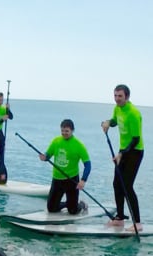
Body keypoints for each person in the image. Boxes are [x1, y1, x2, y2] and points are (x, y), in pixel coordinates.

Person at [99, 84, 144, 232]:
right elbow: (114, 121)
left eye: (120, 96)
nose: (117, 99)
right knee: (116, 184)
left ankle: (137, 223)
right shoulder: (117, 108)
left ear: (127, 97)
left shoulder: (133, 113)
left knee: (127, 186)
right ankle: (119, 218)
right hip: (122, 151)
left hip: (134, 152)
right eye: (115, 96)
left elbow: (136, 139)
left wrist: (122, 153)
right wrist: (107, 123)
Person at [39, 119, 91, 216]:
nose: (64, 133)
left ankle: (81, 205)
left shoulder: (79, 145)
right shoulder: (56, 141)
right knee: (51, 209)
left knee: (73, 211)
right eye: (62, 131)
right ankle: (69, 204)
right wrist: (44, 157)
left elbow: (88, 164)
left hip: (71, 180)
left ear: (72, 130)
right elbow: (48, 154)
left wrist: (83, 180)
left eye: (66, 131)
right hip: (57, 179)